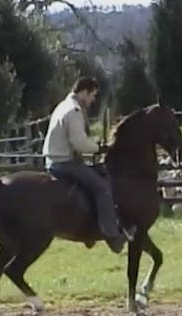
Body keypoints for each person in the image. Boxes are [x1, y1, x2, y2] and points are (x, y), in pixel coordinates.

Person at [41, 76, 136, 253]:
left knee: (101, 174)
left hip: (56, 160)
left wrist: (92, 145)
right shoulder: (74, 111)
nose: (93, 100)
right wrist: (98, 148)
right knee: (101, 187)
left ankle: (95, 226)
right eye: (92, 95)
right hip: (65, 162)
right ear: (84, 92)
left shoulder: (63, 106)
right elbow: (79, 143)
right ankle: (113, 236)